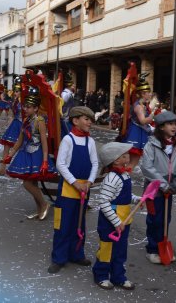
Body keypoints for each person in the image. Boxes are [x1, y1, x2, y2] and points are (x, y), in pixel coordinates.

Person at [48, 106, 98, 274]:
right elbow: (60, 164)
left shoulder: (89, 141)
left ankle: (77, 253)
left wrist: (90, 182)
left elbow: (95, 163)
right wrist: (75, 182)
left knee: (79, 223)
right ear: (75, 121)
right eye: (86, 119)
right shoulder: (68, 140)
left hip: (85, 189)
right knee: (63, 224)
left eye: (90, 119)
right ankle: (59, 257)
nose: (89, 122)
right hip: (69, 189)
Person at [140, 111, 176, 264]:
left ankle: (162, 245)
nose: (174, 127)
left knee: (166, 219)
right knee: (155, 219)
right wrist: (163, 185)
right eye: (170, 124)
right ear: (161, 127)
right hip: (154, 190)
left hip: (169, 189)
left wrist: (175, 185)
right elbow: (147, 167)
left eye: (175, 123)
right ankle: (152, 249)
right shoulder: (151, 145)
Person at [3, 87, 56, 220]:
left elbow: (44, 143)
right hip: (26, 154)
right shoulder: (25, 121)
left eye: (28, 107)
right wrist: (10, 155)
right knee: (33, 184)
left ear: (36, 108)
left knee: (27, 184)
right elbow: (20, 141)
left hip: (37, 155)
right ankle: (39, 210)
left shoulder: (40, 121)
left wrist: (44, 161)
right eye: (25, 106)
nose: (25, 109)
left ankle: (44, 204)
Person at [92, 142, 140, 291]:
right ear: (115, 160)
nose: (128, 157)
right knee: (106, 249)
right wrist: (116, 221)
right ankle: (101, 275)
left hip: (124, 221)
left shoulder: (125, 175)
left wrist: (136, 199)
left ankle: (118, 276)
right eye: (124, 155)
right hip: (110, 223)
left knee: (120, 250)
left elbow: (125, 195)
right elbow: (104, 202)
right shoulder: (111, 179)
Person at [123, 74, 156, 170]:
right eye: (148, 92)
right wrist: (153, 115)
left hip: (139, 132)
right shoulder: (139, 106)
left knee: (133, 162)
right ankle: (123, 179)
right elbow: (143, 121)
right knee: (133, 162)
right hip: (136, 133)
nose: (150, 94)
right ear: (142, 94)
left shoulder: (143, 105)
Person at [0, 77, 23, 175]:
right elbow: (13, 114)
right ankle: (2, 168)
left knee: (21, 148)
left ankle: (21, 169)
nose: (16, 93)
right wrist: (9, 121)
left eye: (18, 91)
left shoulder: (25, 101)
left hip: (22, 126)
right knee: (6, 146)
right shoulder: (16, 101)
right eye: (15, 91)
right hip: (15, 124)